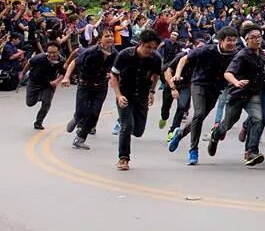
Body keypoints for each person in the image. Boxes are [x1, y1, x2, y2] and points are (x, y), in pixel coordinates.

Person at [166, 27, 239, 165]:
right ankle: (193, 150)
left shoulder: (234, 54)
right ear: (221, 40)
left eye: (234, 41)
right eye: (229, 40)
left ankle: (179, 133)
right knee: (198, 114)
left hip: (215, 89)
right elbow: (184, 59)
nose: (232, 43)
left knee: (199, 117)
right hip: (199, 84)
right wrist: (177, 74)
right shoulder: (207, 50)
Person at [211, 24, 265, 166]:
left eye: (259, 36)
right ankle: (215, 134)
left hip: (253, 94)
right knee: (228, 124)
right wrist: (236, 82)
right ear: (246, 40)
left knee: (258, 119)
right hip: (237, 95)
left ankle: (251, 152)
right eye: (253, 37)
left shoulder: (261, 54)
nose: (257, 40)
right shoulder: (242, 55)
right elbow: (227, 73)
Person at [109, 30, 163, 171]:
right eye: (148, 47)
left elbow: (156, 75)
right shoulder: (125, 55)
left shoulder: (156, 58)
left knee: (138, 131)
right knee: (127, 126)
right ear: (140, 44)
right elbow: (114, 76)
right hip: (125, 94)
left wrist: (152, 91)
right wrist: (118, 95)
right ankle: (123, 158)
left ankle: (125, 124)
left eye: (153, 48)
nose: (150, 50)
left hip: (142, 95)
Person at [62, 33, 117, 148]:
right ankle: (77, 117)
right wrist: (66, 77)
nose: (110, 38)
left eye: (111, 36)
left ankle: (80, 139)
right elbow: (74, 62)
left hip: (101, 87)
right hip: (85, 85)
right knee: (82, 111)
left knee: (94, 114)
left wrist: (112, 76)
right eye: (106, 36)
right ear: (100, 39)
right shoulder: (91, 52)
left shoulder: (114, 54)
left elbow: (118, 69)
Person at [22, 43, 65, 130]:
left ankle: (38, 122)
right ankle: (39, 96)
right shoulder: (39, 58)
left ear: (58, 52)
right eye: (49, 52)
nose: (52, 55)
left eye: (54, 52)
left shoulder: (62, 61)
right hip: (34, 82)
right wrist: (22, 74)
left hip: (49, 84)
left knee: (47, 103)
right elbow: (29, 63)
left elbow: (63, 73)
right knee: (30, 103)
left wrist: (56, 81)